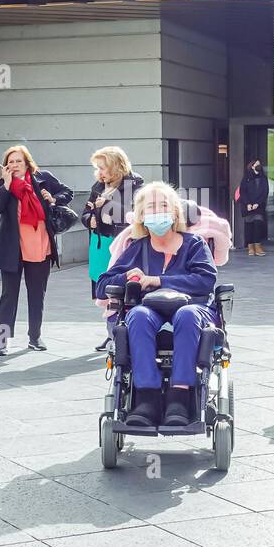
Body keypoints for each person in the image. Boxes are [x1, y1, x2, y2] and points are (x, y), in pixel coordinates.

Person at [95, 183, 217, 428]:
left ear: (175, 213)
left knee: (187, 315)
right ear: (141, 216)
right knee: (138, 315)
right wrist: (128, 276)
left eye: (164, 205)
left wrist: (158, 280)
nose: (158, 211)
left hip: (193, 307)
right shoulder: (136, 248)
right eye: (151, 206)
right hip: (149, 310)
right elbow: (102, 285)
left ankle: (179, 399)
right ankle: (146, 398)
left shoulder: (194, 244)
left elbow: (206, 280)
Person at [0, 145, 73, 355]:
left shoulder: (43, 178)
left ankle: (35, 336)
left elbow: (67, 192)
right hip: (12, 248)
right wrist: (7, 186)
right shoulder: (1, 184)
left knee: (37, 294)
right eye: (10, 161)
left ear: (27, 162)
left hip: (39, 245)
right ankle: (2, 340)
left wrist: (54, 199)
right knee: (9, 295)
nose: (14, 165)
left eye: (18, 161)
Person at [81, 146, 144, 350]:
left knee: (119, 289)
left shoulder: (135, 185)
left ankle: (120, 333)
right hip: (99, 243)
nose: (99, 172)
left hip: (122, 244)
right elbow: (85, 212)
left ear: (116, 166)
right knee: (103, 290)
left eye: (103, 167)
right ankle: (111, 334)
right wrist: (89, 219)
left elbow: (135, 215)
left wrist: (109, 204)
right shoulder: (98, 186)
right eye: (97, 168)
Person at [239, 157, 269, 256]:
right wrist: (248, 203)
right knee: (249, 227)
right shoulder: (246, 178)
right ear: (252, 166)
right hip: (248, 207)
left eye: (259, 164)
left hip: (259, 207)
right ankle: (250, 247)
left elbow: (265, 192)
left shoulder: (263, 178)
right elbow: (243, 192)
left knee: (257, 225)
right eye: (256, 164)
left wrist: (258, 203)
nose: (258, 166)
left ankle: (258, 246)